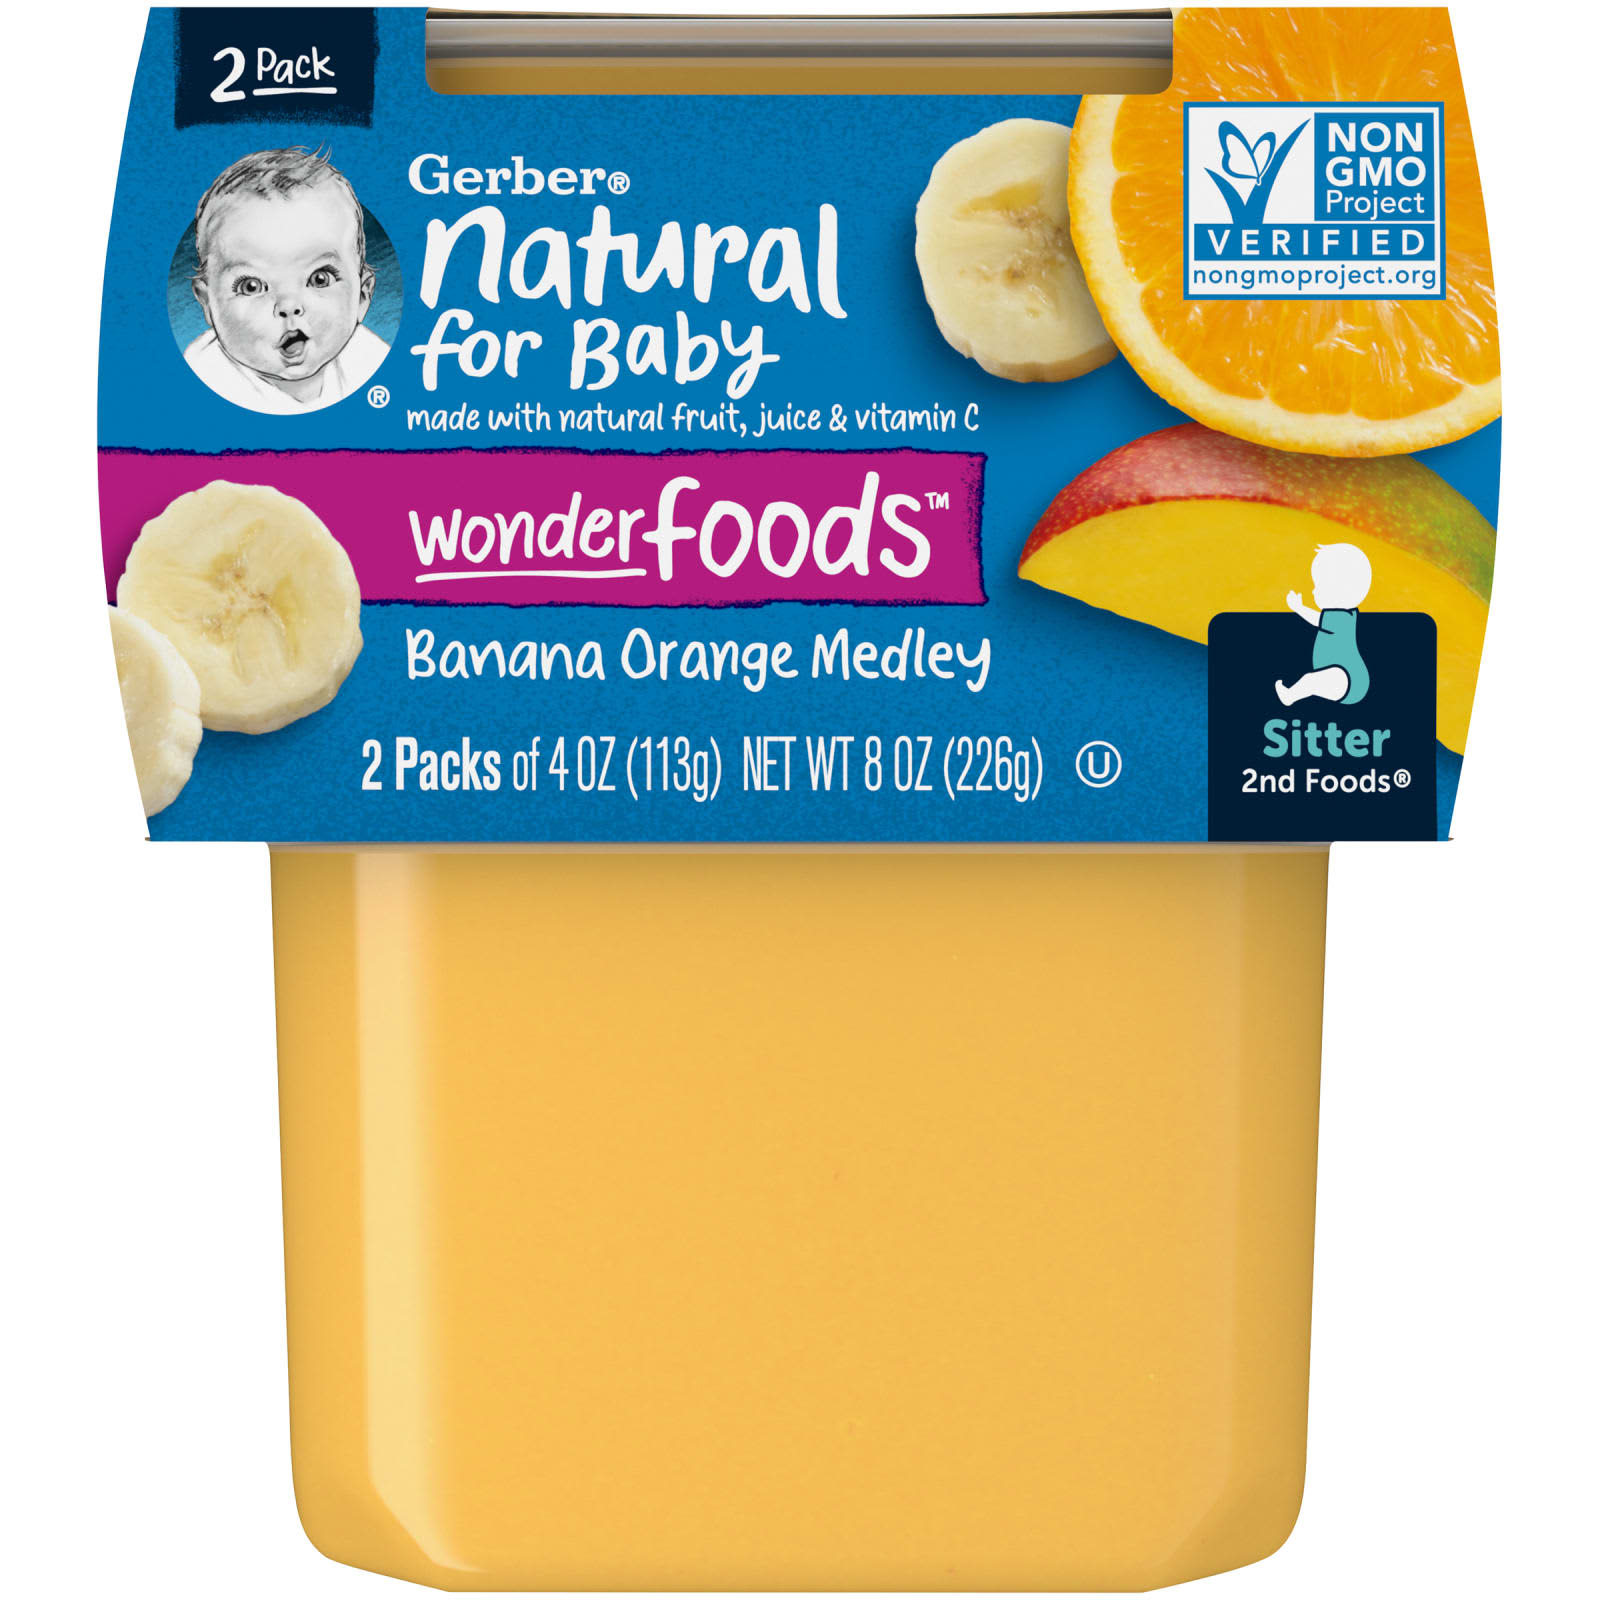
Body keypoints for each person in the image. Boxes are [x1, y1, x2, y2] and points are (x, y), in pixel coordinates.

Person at [185, 148, 389, 414]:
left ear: (362, 296)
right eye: (252, 286)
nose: (289, 305)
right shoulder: (202, 382)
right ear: (207, 303)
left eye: (319, 279)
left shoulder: (370, 360)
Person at [1275, 542, 1372, 706]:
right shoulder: (1348, 615)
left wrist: (1298, 608)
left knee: (1310, 680)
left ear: (1340, 590)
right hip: (1343, 675)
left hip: (1347, 676)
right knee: (1313, 682)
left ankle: (1289, 696)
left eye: (1318, 586)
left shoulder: (1340, 619)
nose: (1313, 591)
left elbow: (1316, 619)